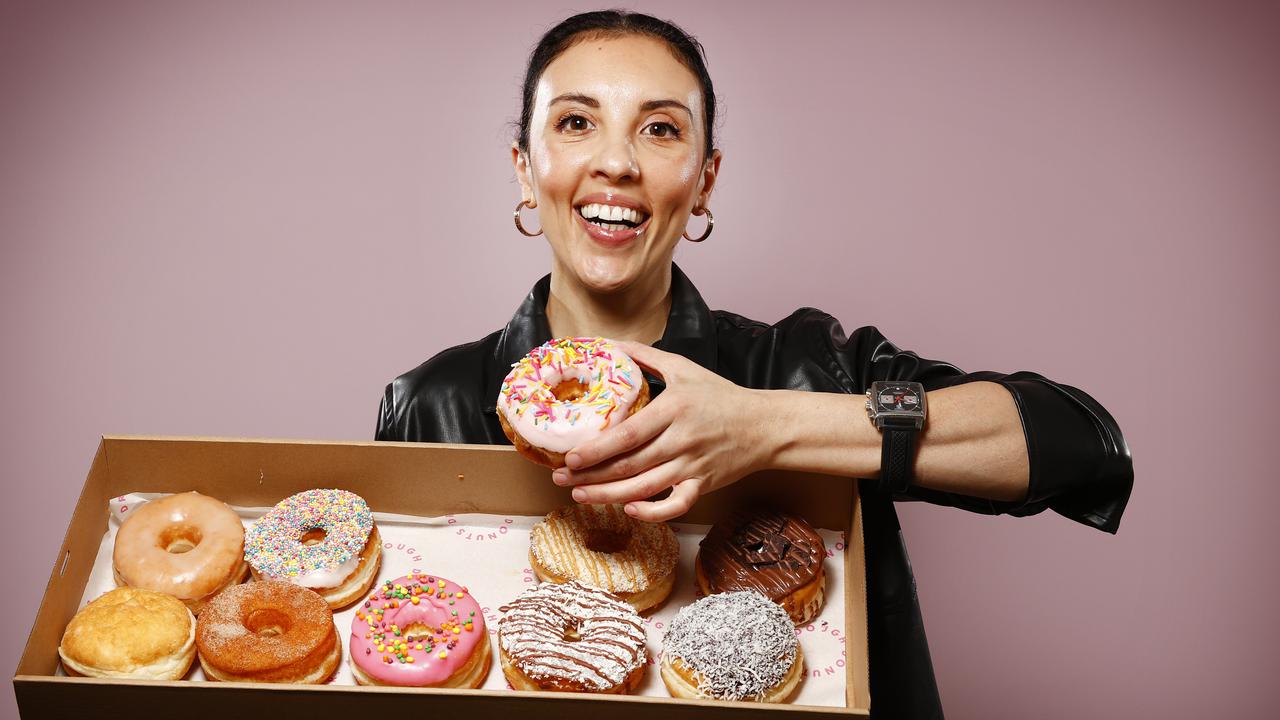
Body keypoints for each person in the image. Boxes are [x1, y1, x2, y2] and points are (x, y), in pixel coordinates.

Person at [375, 10, 1132, 719]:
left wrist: (768, 424)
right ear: (523, 167)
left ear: (704, 179)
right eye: (576, 122)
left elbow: (1077, 443)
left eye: (661, 130)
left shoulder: (801, 365)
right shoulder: (428, 403)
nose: (615, 162)